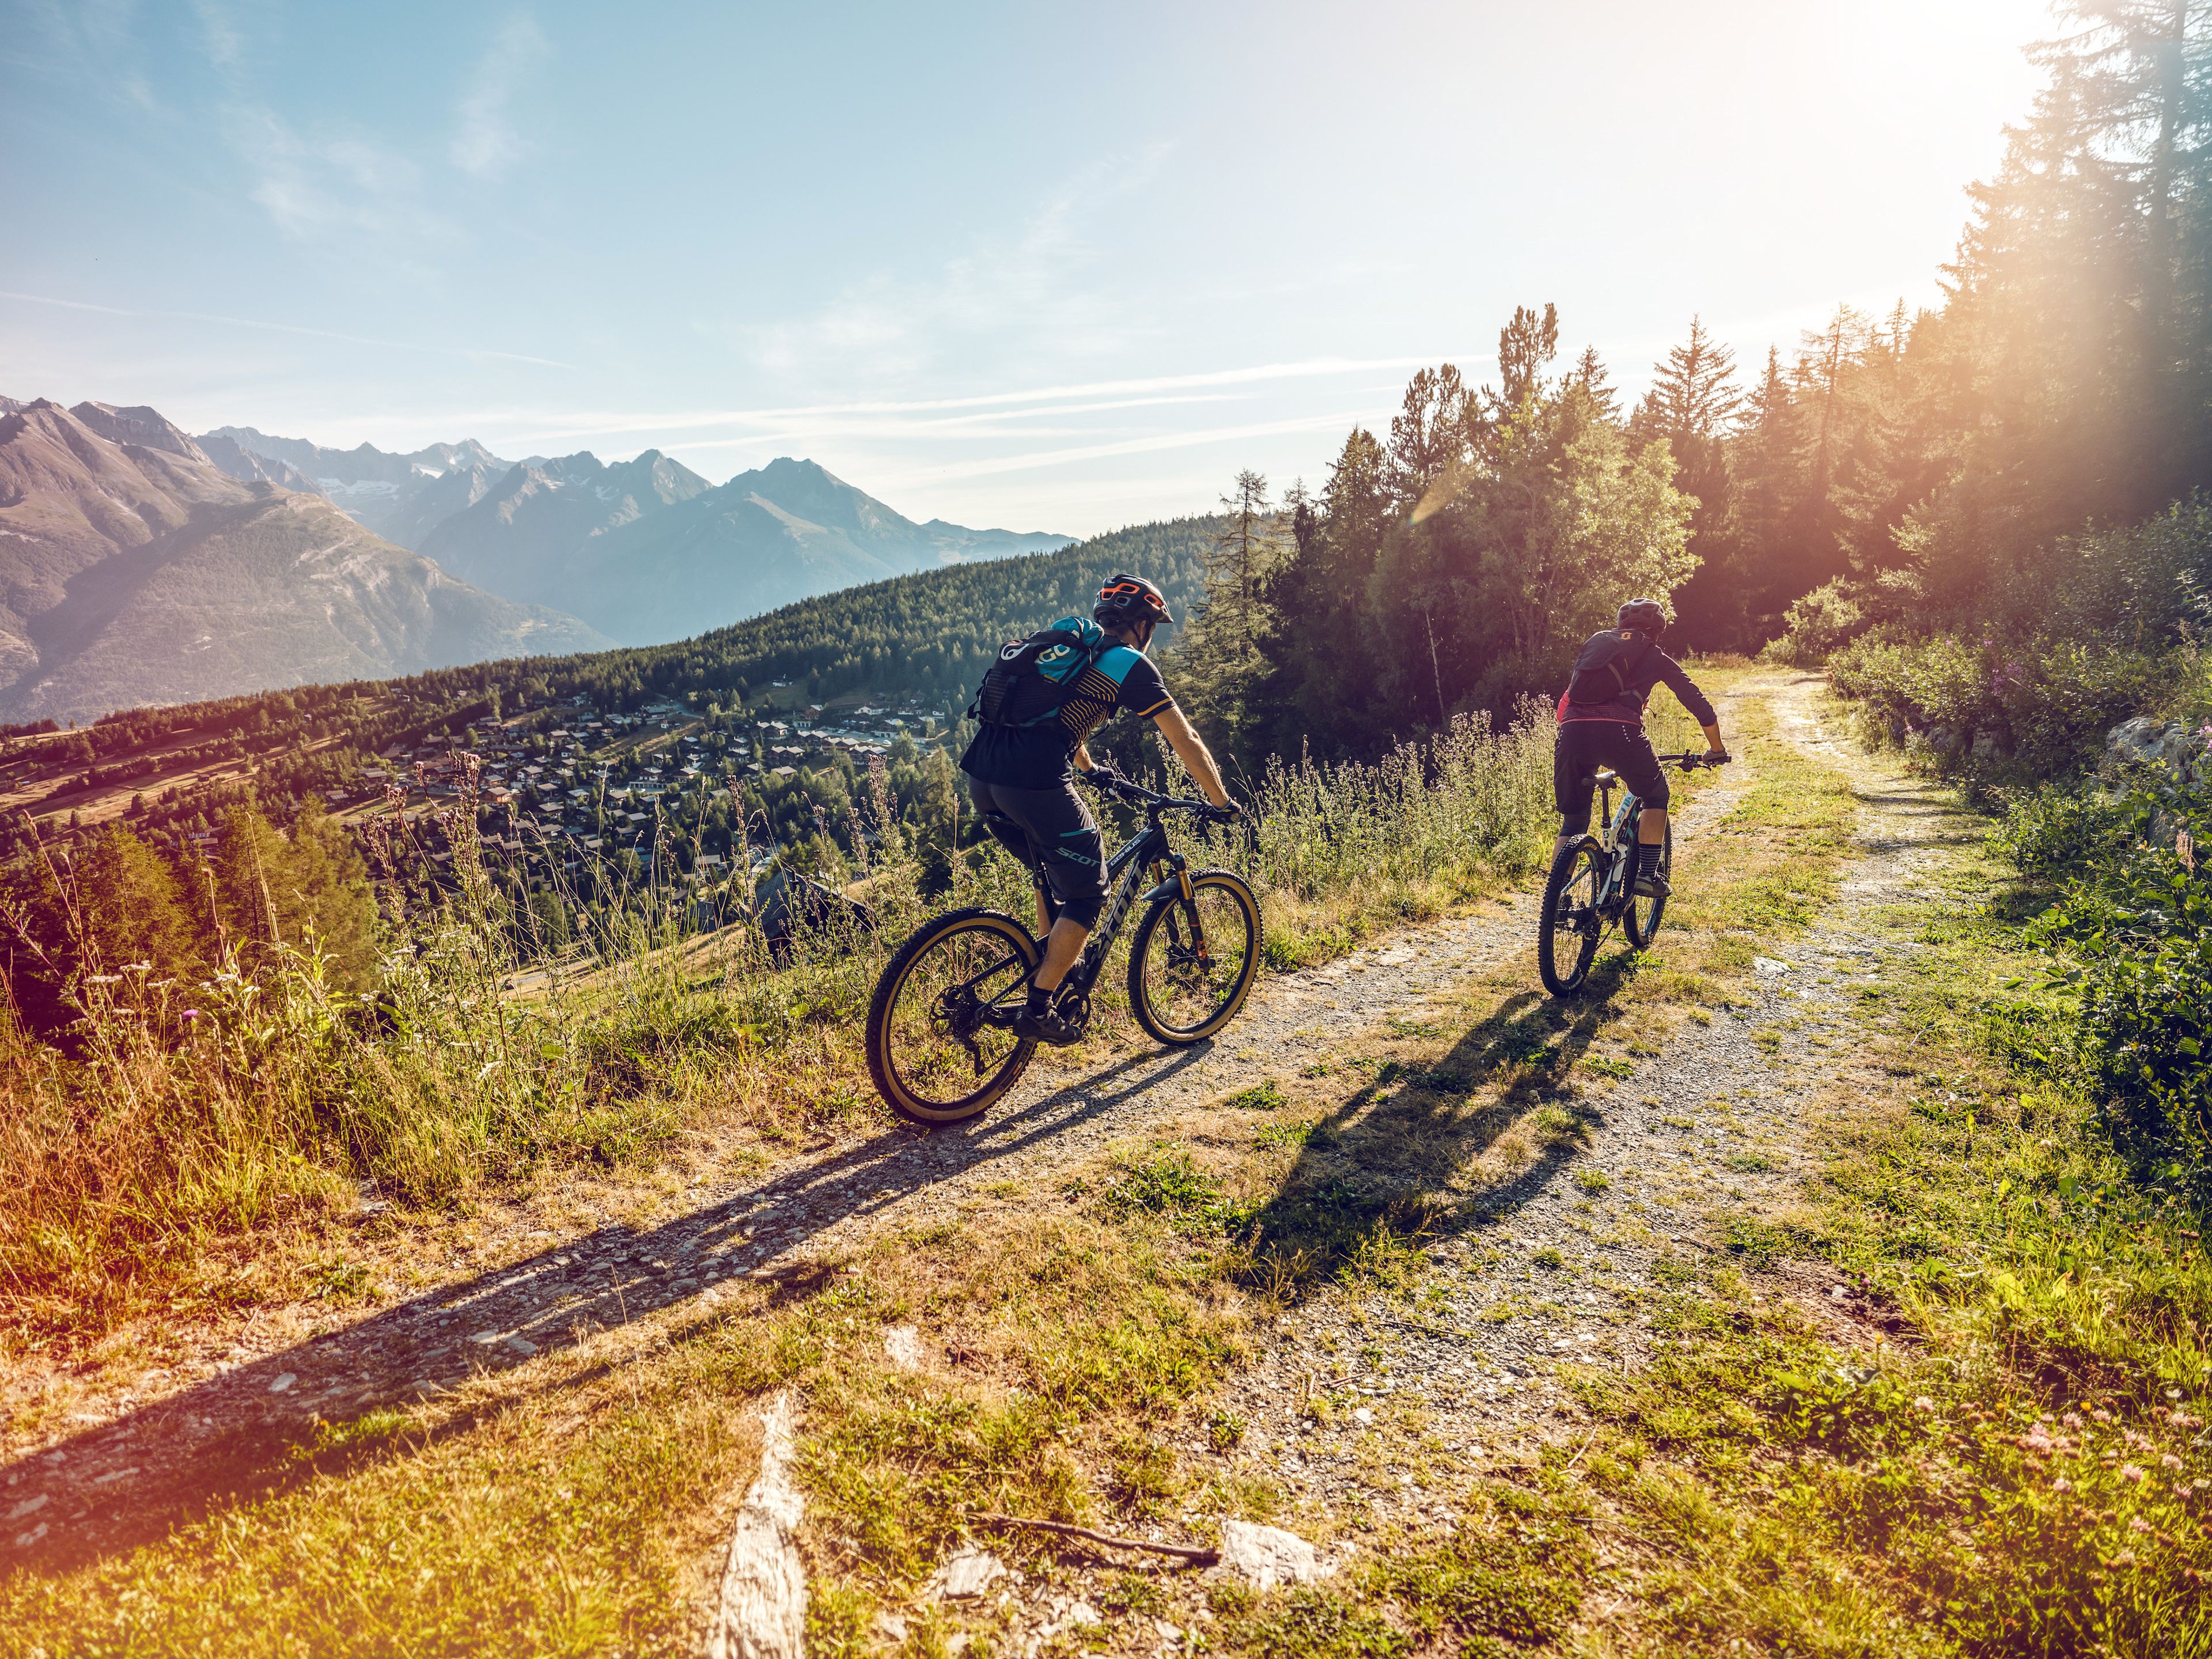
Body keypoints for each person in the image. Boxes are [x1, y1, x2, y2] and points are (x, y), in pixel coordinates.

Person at [961, 573, 1236, 1045]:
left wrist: (1089, 769)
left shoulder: (1075, 656)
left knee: (1049, 873)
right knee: (1090, 892)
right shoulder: (1129, 664)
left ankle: (1047, 971)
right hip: (1033, 782)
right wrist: (1221, 801)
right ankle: (1040, 1006)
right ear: (1144, 624)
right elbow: (1185, 740)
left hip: (982, 777)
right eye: (1153, 626)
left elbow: (1061, 717)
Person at [1555, 598, 1728, 898]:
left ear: (1621, 624)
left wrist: (1577, 735)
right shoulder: (1653, 654)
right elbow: (1697, 702)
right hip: (1621, 732)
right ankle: (1647, 875)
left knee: (1574, 821)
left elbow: (1567, 703)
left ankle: (1556, 897)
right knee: (1656, 794)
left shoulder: (1597, 643)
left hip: (1571, 731)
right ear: (1658, 630)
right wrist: (1716, 749)